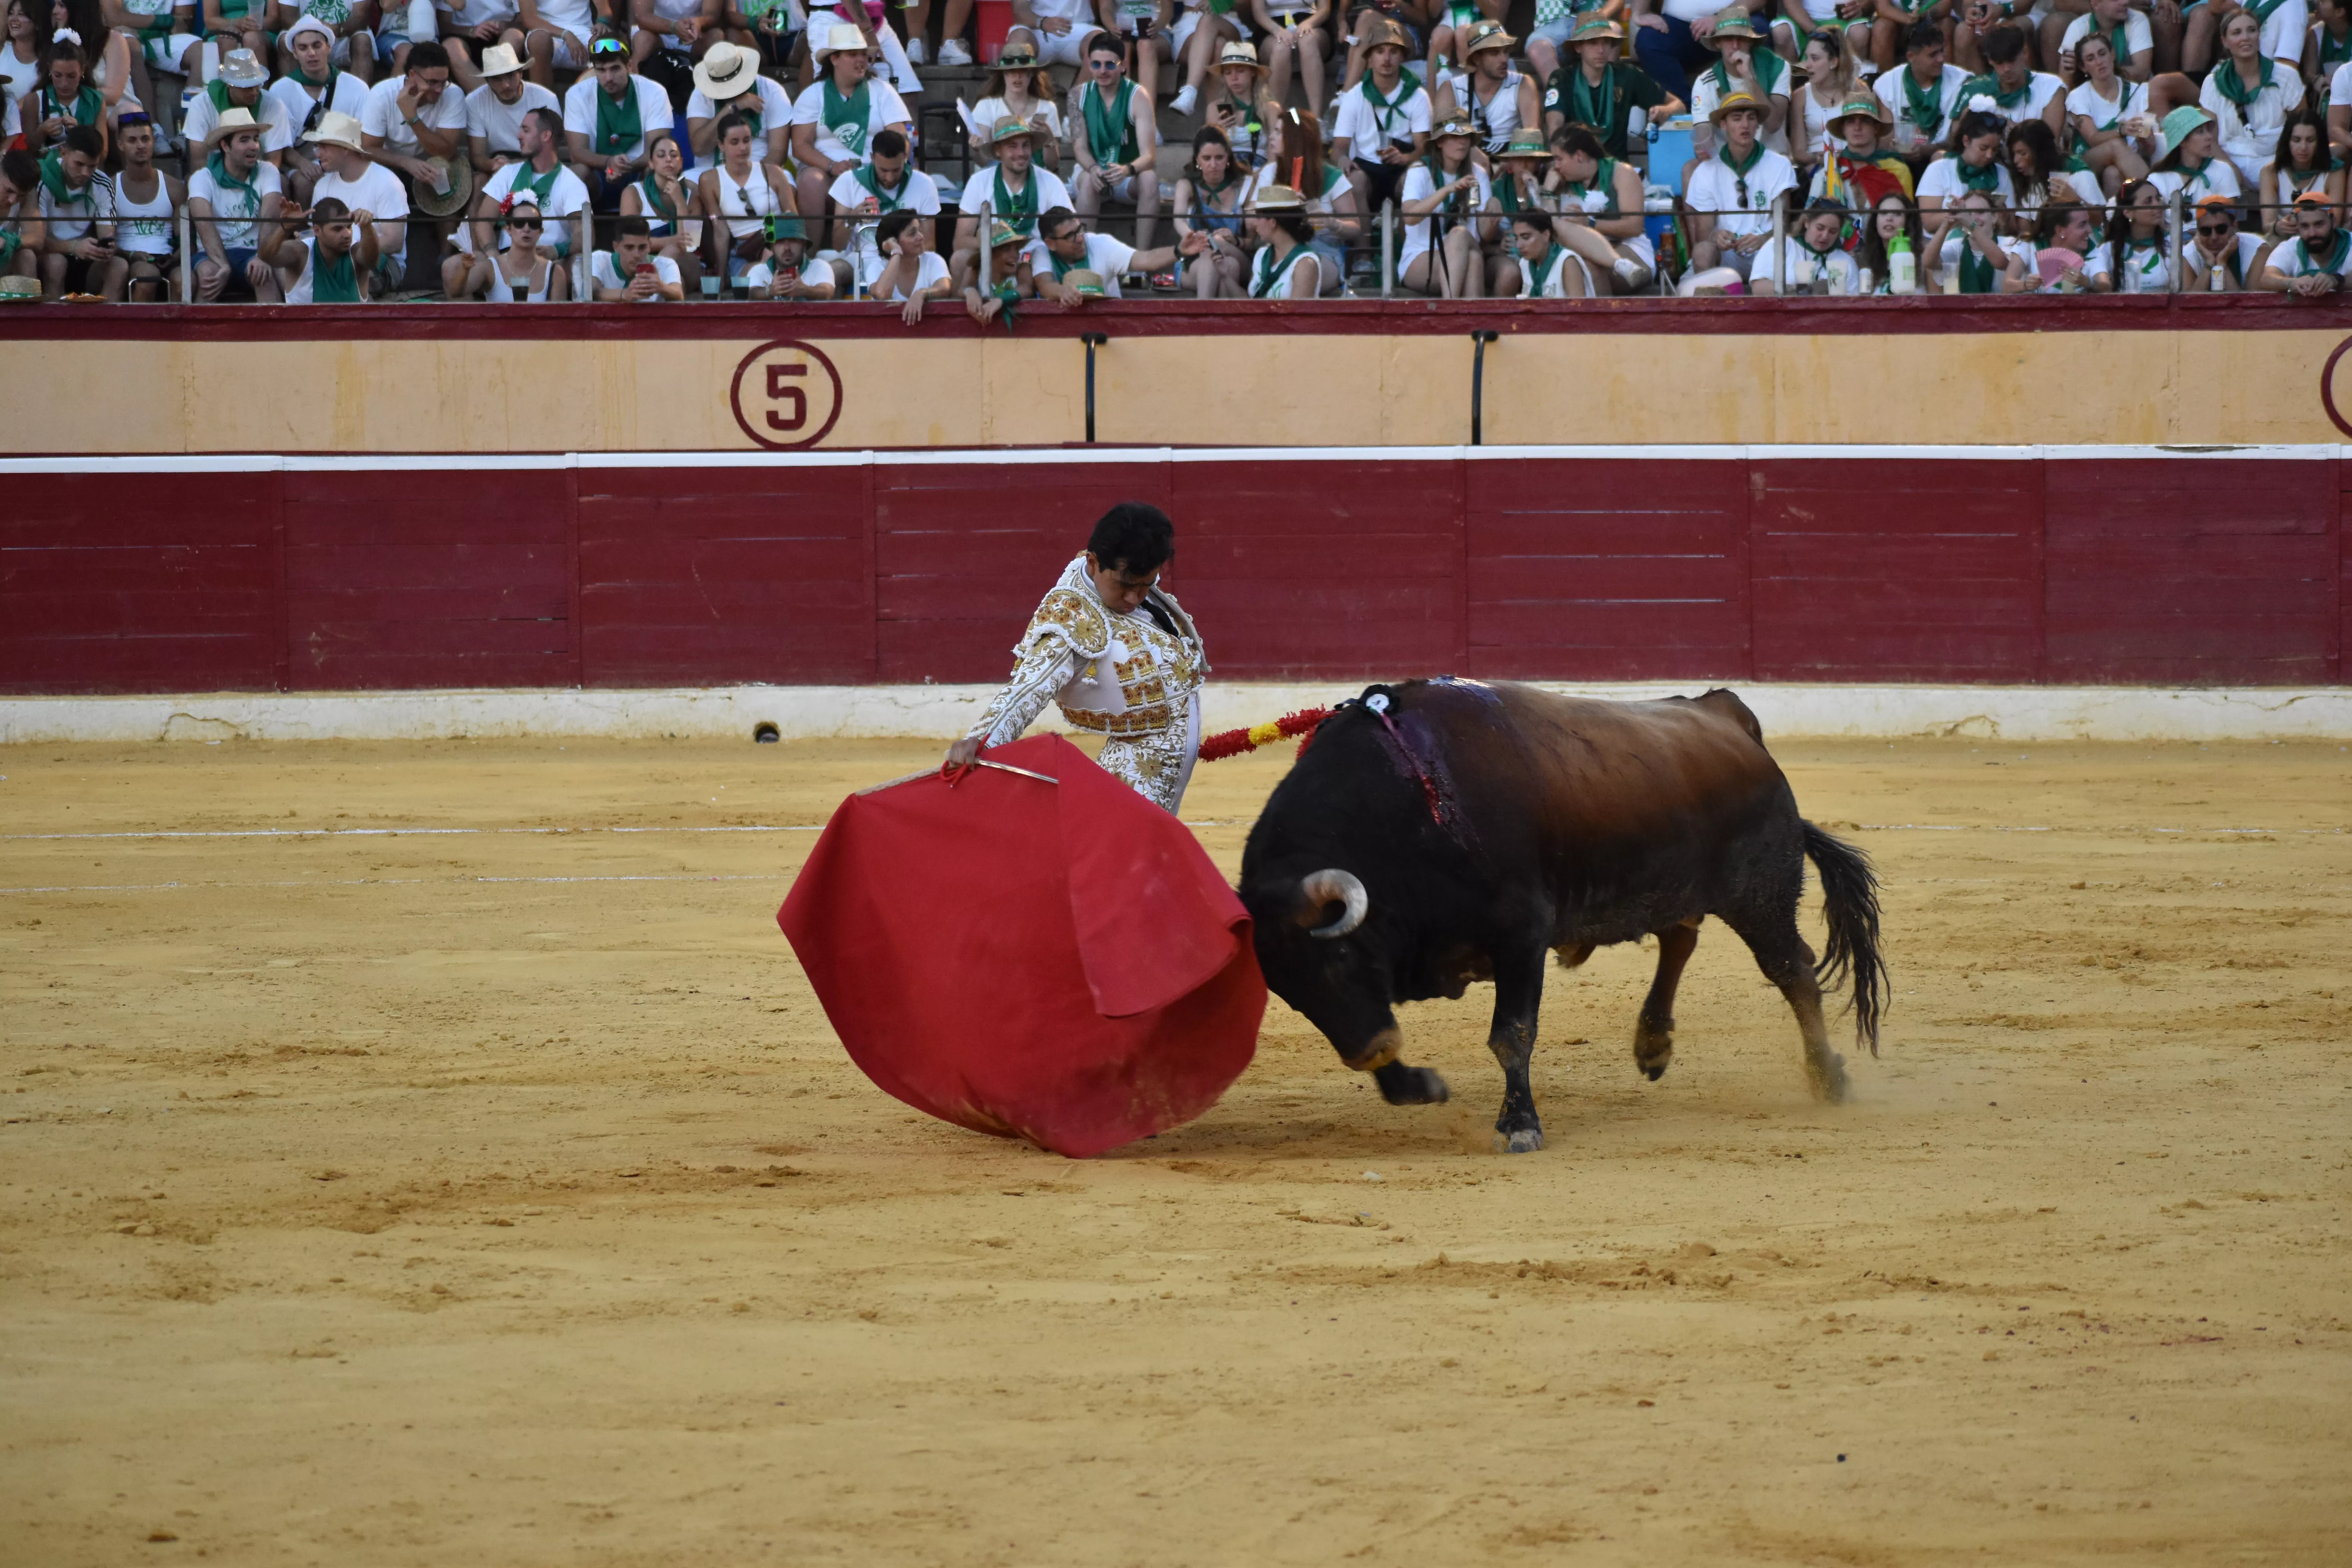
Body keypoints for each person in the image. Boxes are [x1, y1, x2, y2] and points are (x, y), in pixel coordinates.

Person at [947, 502, 1209, 815]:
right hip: (1137, 771)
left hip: (1158, 767)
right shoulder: (1071, 619)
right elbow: (1032, 685)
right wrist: (983, 739)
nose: (1134, 598)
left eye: (1145, 585)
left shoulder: (1119, 572)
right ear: (1093, 562)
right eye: (1125, 585)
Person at [791, 20, 910, 250]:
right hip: (828, 174)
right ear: (834, 59)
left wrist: (876, 170)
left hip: (875, 172)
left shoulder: (883, 91)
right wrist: (832, 166)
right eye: (853, 55)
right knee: (810, 181)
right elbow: (801, 146)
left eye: (864, 55)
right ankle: (812, 258)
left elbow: (900, 140)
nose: (861, 61)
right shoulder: (813, 95)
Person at [453, 103, 583, 292]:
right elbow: (483, 222)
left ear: (546, 136)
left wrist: (557, 251)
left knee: (577, 266)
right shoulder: (508, 173)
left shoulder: (571, 183)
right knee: (452, 268)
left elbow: (584, 233)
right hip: (507, 258)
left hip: (548, 260)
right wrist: (493, 255)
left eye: (526, 130)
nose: (518, 136)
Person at [359, 36, 468, 258]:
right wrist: (405, 162)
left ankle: (446, 255)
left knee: (445, 172)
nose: (439, 89)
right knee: (377, 177)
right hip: (389, 162)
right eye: (432, 82)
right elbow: (369, 148)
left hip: (432, 159)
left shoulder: (453, 94)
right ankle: (381, 255)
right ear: (412, 76)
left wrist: (413, 118)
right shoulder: (382, 94)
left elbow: (446, 151)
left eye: (443, 82)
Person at [1684, 89, 1795, 278]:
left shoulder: (1779, 164)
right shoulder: (1706, 171)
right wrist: (1716, 237)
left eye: (1751, 118)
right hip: (1728, 254)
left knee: (1785, 245)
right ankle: (1712, 305)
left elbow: (1784, 222)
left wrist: (1763, 239)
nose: (1745, 125)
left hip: (1766, 250)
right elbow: (1704, 235)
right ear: (1723, 125)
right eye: (1737, 119)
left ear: (1757, 124)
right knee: (1703, 251)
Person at [952, 117, 1071, 284]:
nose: (1021, 153)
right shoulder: (979, 181)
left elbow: (1071, 232)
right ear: (998, 151)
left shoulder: (1050, 181)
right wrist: (1000, 246)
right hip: (994, 255)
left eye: (1026, 145)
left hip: (1038, 258)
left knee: (1042, 259)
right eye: (1012, 146)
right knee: (959, 259)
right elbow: (961, 241)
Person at [1071, 29, 1160, 250]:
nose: (1103, 71)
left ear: (1123, 65)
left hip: (1126, 175)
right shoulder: (1077, 95)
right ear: (1089, 65)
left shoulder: (1138, 96)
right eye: (1096, 65)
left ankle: (1142, 257)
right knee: (1090, 183)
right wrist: (1093, 169)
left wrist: (1127, 170)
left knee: (1150, 179)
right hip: (1091, 171)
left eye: (1110, 65)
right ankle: (1082, 259)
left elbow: (1149, 157)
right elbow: (1080, 148)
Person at [562, 32, 673, 209]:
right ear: (594, 69)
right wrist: (608, 163)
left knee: (657, 170)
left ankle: (650, 231)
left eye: (615, 69)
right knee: (576, 173)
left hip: (640, 173)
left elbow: (657, 150)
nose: (608, 78)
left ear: (629, 66)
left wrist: (626, 167)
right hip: (599, 175)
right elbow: (577, 153)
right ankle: (581, 235)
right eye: (601, 70)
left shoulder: (654, 92)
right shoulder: (577, 94)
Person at [1542, 16, 1678, 160]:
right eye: (1593, 43)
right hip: (1577, 166)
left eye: (1606, 42)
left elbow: (1678, 104)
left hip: (1617, 170)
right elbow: (1555, 128)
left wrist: (1666, 110)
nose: (1601, 50)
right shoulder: (1562, 79)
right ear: (1578, 47)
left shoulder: (1628, 75)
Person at [1330, 17, 1429, 214]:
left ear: (1402, 57)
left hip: (1403, 166)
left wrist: (1405, 158)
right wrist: (1342, 160)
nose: (1387, 59)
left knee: (1414, 181)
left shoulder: (1418, 96)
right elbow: (1339, 148)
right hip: (1366, 167)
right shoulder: (1354, 97)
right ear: (1369, 58)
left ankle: (1411, 244)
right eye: (1380, 51)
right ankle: (1361, 244)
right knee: (1354, 182)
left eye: (1394, 51)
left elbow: (1424, 149)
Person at [303, 107, 407, 294]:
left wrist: (352, 252)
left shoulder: (387, 182)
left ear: (345, 149)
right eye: (318, 146)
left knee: (350, 272)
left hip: (382, 264)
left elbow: (394, 242)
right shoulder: (323, 185)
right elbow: (316, 234)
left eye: (324, 146)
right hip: (335, 258)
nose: (318, 154)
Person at [828, 123, 937, 294]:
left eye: (896, 170)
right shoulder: (850, 181)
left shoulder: (924, 184)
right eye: (883, 170)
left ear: (905, 158)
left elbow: (930, 245)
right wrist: (852, 218)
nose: (890, 177)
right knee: (829, 275)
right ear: (872, 159)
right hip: (860, 259)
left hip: (906, 261)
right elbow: (838, 246)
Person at [1544, 121, 1654, 292]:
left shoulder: (1622, 173)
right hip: (1582, 253)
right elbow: (1551, 229)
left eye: (1559, 159)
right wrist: (1548, 192)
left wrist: (1591, 224)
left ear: (1579, 156)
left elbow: (1634, 227)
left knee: (1589, 269)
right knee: (1583, 265)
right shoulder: (1562, 183)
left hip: (1630, 247)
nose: (1555, 166)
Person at [188, 106, 285, 298]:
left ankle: (275, 328)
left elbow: (270, 219)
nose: (254, 146)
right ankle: (201, 329)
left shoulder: (268, 171)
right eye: (244, 140)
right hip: (213, 254)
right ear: (226, 146)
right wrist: (223, 264)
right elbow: (204, 226)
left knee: (262, 273)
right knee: (209, 274)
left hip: (254, 251)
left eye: (256, 139)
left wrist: (262, 256)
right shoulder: (202, 178)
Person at [273, 16, 371, 203]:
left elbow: (363, 139)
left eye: (317, 46)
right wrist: (302, 163)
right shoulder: (280, 90)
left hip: (344, 159)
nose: (311, 53)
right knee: (304, 182)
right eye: (303, 48)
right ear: (294, 52)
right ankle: (304, 232)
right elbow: (278, 144)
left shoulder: (357, 88)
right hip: (301, 161)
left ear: (329, 47)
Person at [2201, 8, 2302, 189]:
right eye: (2237, 33)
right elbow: (2209, 140)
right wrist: (2233, 172)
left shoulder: (2286, 76)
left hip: (2276, 162)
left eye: (2252, 30)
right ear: (2225, 41)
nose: (2246, 37)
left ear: (2259, 35)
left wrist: (2278, 166)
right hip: (2228, 162)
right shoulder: (2212, 83)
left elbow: (2304, 127)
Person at [1395, 111, 1489, 295]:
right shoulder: (1420, 171)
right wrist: (1446, 191)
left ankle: (1451, 309)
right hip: (1421, 257)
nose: (1462, 142)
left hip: (1466, 248)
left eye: (1466, 137)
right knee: (1472, 257)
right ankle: (1463, 314)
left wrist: (1493, 212)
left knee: (1462, 240)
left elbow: (1484, 234)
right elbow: (1409, 217)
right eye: (1454, 137)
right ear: (1440, 143)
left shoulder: (1479, 174)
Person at [1029, 202, 1204, 299]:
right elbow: (1045, 286)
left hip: (1107, 323)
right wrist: (1063, 292)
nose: (1080, 238)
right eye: (1070, 236)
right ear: (1051, 243)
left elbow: (1146, 259)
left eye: (1080, 230)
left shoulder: (1101, 244)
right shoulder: (1042, 252)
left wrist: (1179, 251)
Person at [697, 108, 791, 287]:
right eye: (735, 142)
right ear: (721, 146)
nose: (743, 147)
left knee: (767, 270)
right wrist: (722, 277)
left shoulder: (772, 172)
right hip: (742, 252)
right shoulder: (710, 180)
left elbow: (793, 219)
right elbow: (721, 230)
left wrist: (776, 248)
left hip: (779, 245)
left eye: (747, 140)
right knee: (755, 275)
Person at [29, 122, 123, 299]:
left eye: (93, 166)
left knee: (118, 266)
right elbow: (36, 241)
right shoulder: (41, 180)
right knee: (56, 264)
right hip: (50, 255)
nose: (86, 173)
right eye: (79, 164)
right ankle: (55, 322)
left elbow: (107, 234)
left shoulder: (103, 184)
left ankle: (105, 324)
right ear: (64, 153)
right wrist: (73, 247)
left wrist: (106, 248)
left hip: (86, 257)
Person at [462, 37, 557, 195]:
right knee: (479, 181)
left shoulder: (546, 98)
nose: (505, 85)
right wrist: (493, 165)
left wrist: (513, 166)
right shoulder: (474, 101)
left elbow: (551, 152)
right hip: (498, 163)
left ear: (521, 73)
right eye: (497, 79)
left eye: (510, 76)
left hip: (537, 162)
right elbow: (477, 156)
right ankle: (473, 221)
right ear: (487, 81)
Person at [1686, 13, 1790, 157]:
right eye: (1729, 39)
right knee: (1689, 170)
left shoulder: (1777, 67)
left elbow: (1773, 124)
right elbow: (1704, 129)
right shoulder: (1704, 82)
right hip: (1728, 162)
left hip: (1772, 158)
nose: (1735, 46)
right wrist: (1703, 147)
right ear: (1718, 43)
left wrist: (1749, 77)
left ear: (1750, 42)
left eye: (1741, 39)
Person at [2067, 29, 2153, 194]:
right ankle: (2155, 198)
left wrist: (2146, 138)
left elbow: (2150, 150)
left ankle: (2116, 217)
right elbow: (2093, 139)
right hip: (2088, 159)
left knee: (2112, 174)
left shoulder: (2139, 91)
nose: (2100, 62)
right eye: (2091, 59)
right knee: (2115, 146)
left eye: (2102, 54)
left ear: (2112, 55)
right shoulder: (2078, 96)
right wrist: (2122, 131)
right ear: (2083, 67)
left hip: (2125, 163)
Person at [1435, 19, 1534, 160]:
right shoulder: (1451, 89)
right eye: (1495, 53)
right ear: (1477, 59)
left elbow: (1532, 137)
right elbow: (1444, 140)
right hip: (1468, 164)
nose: (1504, 59)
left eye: (1506, 52)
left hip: (1512, 163)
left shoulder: (1523, 84)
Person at [105, 109, 178, 300]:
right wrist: (132, 255)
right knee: (147, 275)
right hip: (126, 258)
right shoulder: (110, 187)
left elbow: (187, 239)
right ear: (120, 144)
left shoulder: (174, 187)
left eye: (145, 139)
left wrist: (177, 257)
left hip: (168, 258)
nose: (140, 146)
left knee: (185, 280)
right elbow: (105, 242)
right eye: (132, 141)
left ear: (154, 141)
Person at [964, 38, 1062, 175]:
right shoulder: (986, 106)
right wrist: (977, 150)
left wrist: (1049, 139)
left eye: (1023, 71)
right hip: (994, 178)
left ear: (1031, 74)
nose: (1017, 76)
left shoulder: (1048, 108)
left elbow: (1052, 166)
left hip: (1037, 181)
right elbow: (984, 163)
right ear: (1003, 74)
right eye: (1011, 71)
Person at [1877, 19, 1971, 161]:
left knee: (1938, 158)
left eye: (1942, 51)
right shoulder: (1887, 84)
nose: (1941, 59)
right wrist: (1895, 147)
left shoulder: (1962, 82)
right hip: (1900, 159)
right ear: (1911, 57)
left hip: (1943, 158)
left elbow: (1958, 141)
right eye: (1933, 55)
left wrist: (1927, 150)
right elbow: (1885, 139)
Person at [619, 126, 702, 286]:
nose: (668, 160)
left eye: (674, 156)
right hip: (640, 260)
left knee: (677, 258)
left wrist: (680, 202)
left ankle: (654, 281)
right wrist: (672, 241)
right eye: (661, 156)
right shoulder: (633, 193)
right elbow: (629, 240)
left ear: (681, 162)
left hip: (684, 261)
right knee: (677, 279)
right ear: (651, 163)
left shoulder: (692, 195)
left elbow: (690, 245)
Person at [684, 34, 787, 161]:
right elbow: (699, 149)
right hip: (711, 172)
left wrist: (758, 178)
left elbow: (778, 152)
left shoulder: (772, 91)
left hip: (759, 165)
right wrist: (731, 107)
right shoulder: (701, 94)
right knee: (688, 179)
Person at [1171, 122, 1247, 294]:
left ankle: (1202, 316)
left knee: (1221, 252)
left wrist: (1233, 239)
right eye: (1207, 159)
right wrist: (1195, 237)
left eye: (1219, 158)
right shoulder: (1187, 185)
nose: (1213, 165)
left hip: (1237, 252)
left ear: (1228, 158)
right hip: (1196, 257)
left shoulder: (1242, 185)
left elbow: (1253, 235)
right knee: (1224, 264)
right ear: (1197, 159)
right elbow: (1179, 221)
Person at [1918, 107, 2017, 238]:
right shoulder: (1939, 170)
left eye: (1995, 150)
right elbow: (1929, 223)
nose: (1989, 155)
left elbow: (2013, 228)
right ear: (1966, 141)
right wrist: (1965, 214)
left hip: (1992, 246)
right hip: (1946, 246)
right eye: (1984, 148)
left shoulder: (2002, 174)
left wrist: (2004, 217)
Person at [1958, 22, 2066, 140]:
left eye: (2012, 61)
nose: (2007, 69)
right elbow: (1958, 140)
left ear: (2025, 53)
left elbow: (2050, 143)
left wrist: (2015, 132)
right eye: (2000, 63)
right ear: (1990, 60)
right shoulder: (1976, 89)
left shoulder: (2051, 87)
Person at [1809, 91, 1915, 206]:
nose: (1857, 127)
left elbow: (1906, 218)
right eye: (1850, 121)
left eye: (1865, 121)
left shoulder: (1897, 170)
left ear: (1876, 128)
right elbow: (1810, 217)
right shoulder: (1829, 171)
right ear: (1843, 129)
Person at [270, 191, 374, 298]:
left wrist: (367, 226)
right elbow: (267, 256)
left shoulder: (355, 251)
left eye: (349, 227)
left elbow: (371, 260)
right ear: (317, 230)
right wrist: (283, 229)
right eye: (337, 229)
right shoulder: (302, 251)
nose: (347, 234)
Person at [2262, 103, 2339, 239]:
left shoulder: (2334, 172)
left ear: (2320, 143)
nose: (2303, 147)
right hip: (2284, 239)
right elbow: (2268, 224)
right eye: (2297, 140)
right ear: (2287, 141)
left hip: (2320, 238)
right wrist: (2278, 227)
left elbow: (2336, 221)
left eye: (2311, 140)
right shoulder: (2270, 172)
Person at [1749, 196, 1859, 291]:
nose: (1825, 236)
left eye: (1833, 232)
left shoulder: (1845, 262)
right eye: (1820, 228)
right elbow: (1759, 287)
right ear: (1807, 222)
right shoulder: (1781, 245)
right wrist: (1798, 289)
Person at [1201, 39, 1278, 172]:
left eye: (1240, 71)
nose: (1234, 77)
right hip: (1225, 171)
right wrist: (1216, 132)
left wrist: (1259, 178)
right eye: (1228, 73)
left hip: (1261, 171)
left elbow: (1275, 158)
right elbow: (1208, 152)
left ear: (1253, 72)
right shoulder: (1215, 108)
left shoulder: (1271, 108)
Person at [473, 186, 567, 295]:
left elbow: (559, 312)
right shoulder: (490, 267)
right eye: (519, 223)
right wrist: (465, 270)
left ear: (541, 231)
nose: (526, 229)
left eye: (533, 224)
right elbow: (457, 293)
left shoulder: (555, 272)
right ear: (508, 228)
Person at [1632, 0, 1730, 103]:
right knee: (1648, 41)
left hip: (1733, 20)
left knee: (1743, 36)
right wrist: (1640, 13)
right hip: (1679, 24)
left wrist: (1721, 18)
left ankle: (1741, 108)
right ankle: (1682, 108)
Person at [2085, 174, 2169, 289]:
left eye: (2158, 199)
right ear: (2128, 212)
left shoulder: (2171, 245)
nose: (2157, 205)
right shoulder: (2108, 250)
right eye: (2148, 202)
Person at [1789, 27, 1857, 169]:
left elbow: (1869, 140)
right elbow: (1799, 152)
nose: (1808, 65)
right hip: (1816, 165)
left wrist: (1846, 156)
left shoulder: (1857, 91)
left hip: (1853, 162)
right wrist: (1820, 158)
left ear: (1834, 62)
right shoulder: (1800, 96)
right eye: (1807, 58)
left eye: (1815, 59)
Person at [870, 206, 953, 320]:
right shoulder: (876, 266)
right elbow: (882, 294)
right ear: (893, 241)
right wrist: (896, 253)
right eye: (912, 234)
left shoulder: (933, 259)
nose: (921, 237)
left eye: (920, 231)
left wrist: (922, 293)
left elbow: (945, 288)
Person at [2149, 102, 2242, 204]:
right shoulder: (2158, 180)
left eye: (2208, 130)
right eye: (2200, 132)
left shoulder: (2223, 170)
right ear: (2182, 141)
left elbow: (2228, 216)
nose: (2209, 137)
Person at [1936, 185, 2027, 288]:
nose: (1974, 218)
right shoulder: (1956, 246)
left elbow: (2001, 263)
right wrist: (1946, 225)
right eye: (1968, 214)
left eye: (1980, 212)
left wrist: (1972, 225)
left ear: (1994, 217)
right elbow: (1929, 262)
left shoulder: (2012, 244)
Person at [2259, 187, 2348, 289]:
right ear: (2298, 227)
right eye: (2305, 226)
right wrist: (2292, 283)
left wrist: (2336, 280)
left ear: (2334, 222)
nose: (2312, 233)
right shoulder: (2290, 247)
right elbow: (2267, 278)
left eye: (2319, 225)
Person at [1250, 0, 1326, 116]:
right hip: (1272, 25)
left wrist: (1309, 24)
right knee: (1281, 48)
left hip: (1309, 20)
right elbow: (1258, 13)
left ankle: (1317, 119)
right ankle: (1274, 118)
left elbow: (1324, 9)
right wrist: (1277, 30)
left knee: (1308, 41)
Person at [590, 209, 682, 296]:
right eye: (629, 248)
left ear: (650, 246)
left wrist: (661, 287)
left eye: (642, 247)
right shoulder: (599, 259)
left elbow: (679, 294)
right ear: (616, 247)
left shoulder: (666, 264)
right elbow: (593, 291)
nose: (637, 255)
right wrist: (625, 295)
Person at [2176, 191, 2260, 286]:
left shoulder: (2257, 249)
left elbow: (2250, 301)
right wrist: (2209, 264)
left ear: (2235, 226)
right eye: (2206, 231)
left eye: (2221, 229)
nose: (2214, 237)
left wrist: (2222, 263)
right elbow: (2189, 301)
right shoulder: (2188, 254)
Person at [1853, 186, 1927, 290]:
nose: (1889, 218)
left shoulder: (1924, 257)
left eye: (1897, 214)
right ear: (1876, 220)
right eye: (1884, 213)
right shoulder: (1864, 261)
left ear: (1908, 221)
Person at [742, 210, 833, 296]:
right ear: (771, 247)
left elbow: (827, 292)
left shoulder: (819, 266)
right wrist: (770, 291)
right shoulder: (760, 270)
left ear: (804, 245)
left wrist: (806, 291)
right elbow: (753, 294)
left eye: (793, 241)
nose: (787, 248)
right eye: (780, 241)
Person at [962, 214, 1033, 320]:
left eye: (1017, 249)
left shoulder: (1022, 268)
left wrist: (999, 301)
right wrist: (970, 292)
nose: (1015, 255)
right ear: (989, 255)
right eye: (1007, 250)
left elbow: (1026, 289)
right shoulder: (976, 270)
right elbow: (960, 291)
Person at [1505, 205, 1586, 296]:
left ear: (1546, 235)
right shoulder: (1525, 263)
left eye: (1526, 238)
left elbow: (1578, 307)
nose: (1519, 245)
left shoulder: (1567, 261)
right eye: (1517, 239)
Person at [629, 0, 718, 69]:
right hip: (658, 34)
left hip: (695, 35)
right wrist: (673, 27)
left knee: (716, 37)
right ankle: (636, 86)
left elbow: (712, 15)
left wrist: (699, 22)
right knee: (643, 40)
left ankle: (715, 89)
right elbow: (643, 17)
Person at [1011, 0, 1099, 69]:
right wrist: (1042, 22)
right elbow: (1020, 9)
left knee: (1100, 44)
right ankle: (1021, 92)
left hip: (1078, 28)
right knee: (1018, 42)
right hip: (1037, 28)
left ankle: (1077, 92)